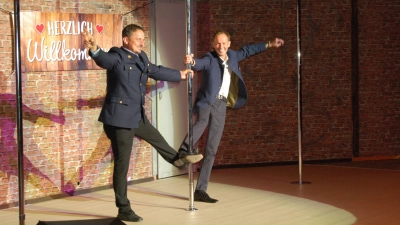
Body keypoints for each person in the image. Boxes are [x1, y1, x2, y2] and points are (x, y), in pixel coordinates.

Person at [82, 24, 203, 222]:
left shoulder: (142, 57)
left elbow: (154, 70)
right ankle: (123, 208)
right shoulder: (118, 55)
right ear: (126, 40)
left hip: (136, 115)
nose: (141, 41)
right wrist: (95, 49)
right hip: (119, 119)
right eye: (138, 38)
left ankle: (178, 160)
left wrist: (178, 74)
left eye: (142, 38)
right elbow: (104, 60)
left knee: (156, 138)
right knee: (122, 165)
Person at [179, 31, 284, 203]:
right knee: (202, 122)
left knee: (212, 149)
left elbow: (249, 50)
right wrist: (191, 61)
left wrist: (269, 44)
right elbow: (199, 63)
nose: (221, 47)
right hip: (207, 101)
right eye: (218, 43)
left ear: (229, 44)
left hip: (221, 104)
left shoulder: (234, 56)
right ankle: (183, 151)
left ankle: (201, 190)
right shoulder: (210, 58)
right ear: (213, 44)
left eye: (224, 43)